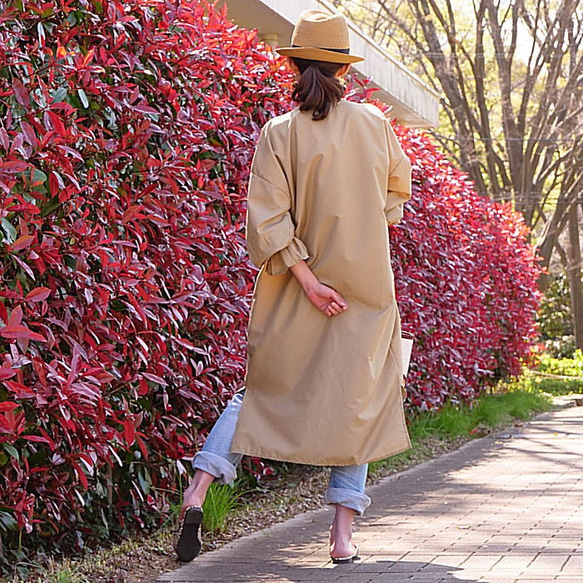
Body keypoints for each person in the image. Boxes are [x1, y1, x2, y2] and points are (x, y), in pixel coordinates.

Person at [175, 9, 412, 565]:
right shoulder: (375, 124)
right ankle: (342, 534)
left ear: (298, 65)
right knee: (358, 400)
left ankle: (199, 489)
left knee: (262, 394)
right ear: (343, 72)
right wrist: (368, 221)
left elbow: (268, 221)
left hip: (294, 288)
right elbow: (397, 192)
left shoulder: (278, 133)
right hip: (364, 294)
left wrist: (306, 280)